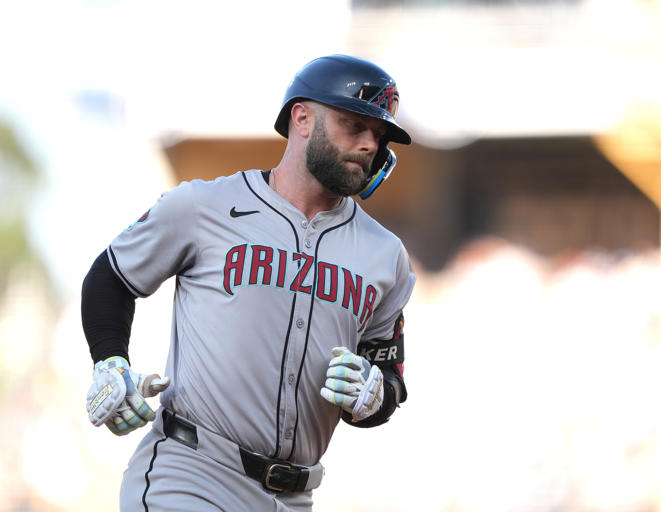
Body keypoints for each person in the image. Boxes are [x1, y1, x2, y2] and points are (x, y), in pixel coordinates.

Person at [81, 54, 416, 511]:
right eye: (353, 125)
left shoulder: (386, 256)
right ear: (302, 117)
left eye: (377, 135)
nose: (368, 144)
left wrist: (374, 397)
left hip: (295, 497)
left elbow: (389, 379)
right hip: (191, 475)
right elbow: (110, 277)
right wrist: (110, 363)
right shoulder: (204, 206)